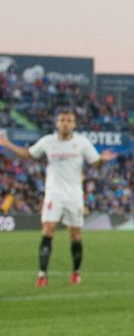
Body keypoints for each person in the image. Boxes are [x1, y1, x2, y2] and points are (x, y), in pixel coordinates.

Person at [0, 109, 116, 286]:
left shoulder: (82, 143)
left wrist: (102, 159)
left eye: (69, 120)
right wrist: (8, 145)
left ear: (74, 124)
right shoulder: (48, 142)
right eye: (62, 120)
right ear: (57, 123)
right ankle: (42, 275)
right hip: (54, 193)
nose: (65, 123)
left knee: (75, 235)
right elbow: (28, 154)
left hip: (74, 195)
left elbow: (95, 163)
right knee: (48, 229)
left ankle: (76, 272)